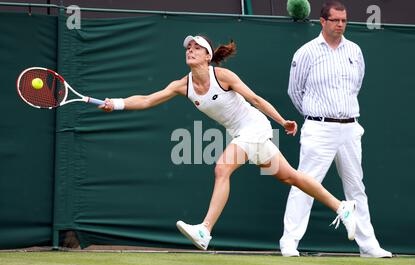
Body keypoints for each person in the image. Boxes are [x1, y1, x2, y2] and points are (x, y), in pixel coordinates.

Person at [99, 34, 357, 251]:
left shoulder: (223, 76)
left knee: (222, 168)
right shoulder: (182, 85)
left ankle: (205, 231)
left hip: (254, 127)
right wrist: (117, 103)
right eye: (188, 48)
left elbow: (255, 99)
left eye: (196, 48)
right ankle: (342, 207)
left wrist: (282, 121)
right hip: (241, 134)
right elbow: (146, 99)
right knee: (290, 176)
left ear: (207, 56)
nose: (190, 50)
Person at [281, 1, 392, 258]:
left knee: (356, 188)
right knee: (304, 185)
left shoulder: (355, 51)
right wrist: (317, 115)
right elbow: (295, 91)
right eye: (335, 20)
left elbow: (356, 86)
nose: (340, 24)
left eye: (344, 20)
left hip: (350, 128)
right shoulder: (306, 52)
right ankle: (289, 242)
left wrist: (342, 113)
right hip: (318, 128)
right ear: (323, 21)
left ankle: (369, 246)